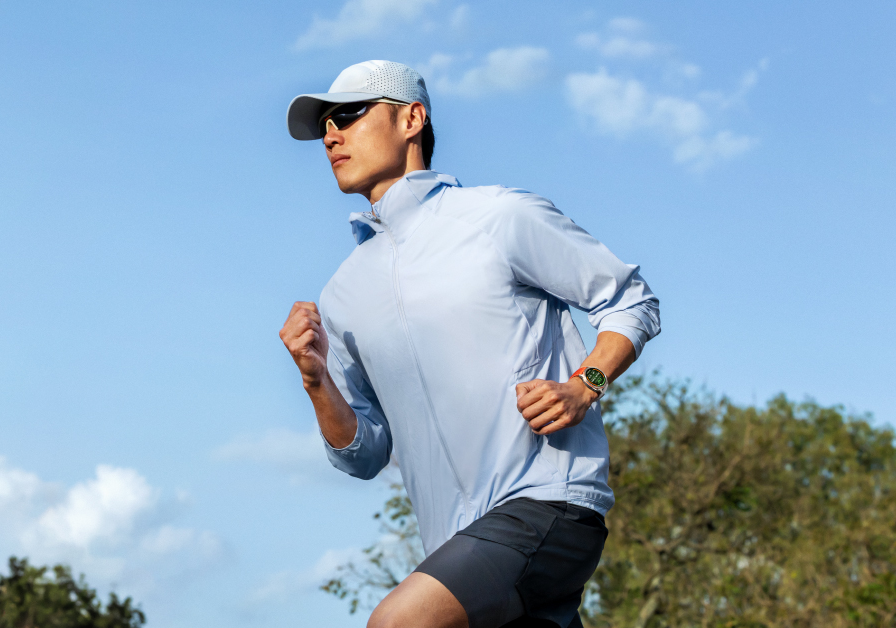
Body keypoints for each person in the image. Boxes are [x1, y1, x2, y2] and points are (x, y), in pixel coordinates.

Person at [280, 60, 660, 628]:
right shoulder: (340, 295)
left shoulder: (497, 216)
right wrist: (315, 380)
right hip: (454, 545)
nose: (331, 135)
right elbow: (363, 453)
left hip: (547, 502)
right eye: (325, 126)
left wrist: (585, 386)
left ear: (412, 119)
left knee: (397, 624)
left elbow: (631, 300)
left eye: (350, 114)